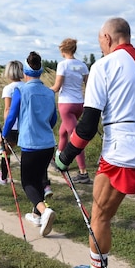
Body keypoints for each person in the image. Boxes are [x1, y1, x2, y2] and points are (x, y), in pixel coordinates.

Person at [55, 17, 135, 268]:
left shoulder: (104, 66)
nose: (101, 48)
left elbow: (86, 126)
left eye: (100, 43)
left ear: (107, 38)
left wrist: (66, 156)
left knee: (100, 214)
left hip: (122, 150)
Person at [2, 52, 57, 237]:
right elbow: (53, 119)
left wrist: (4, 134)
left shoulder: (21, 91)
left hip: (31, 144)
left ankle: (44, 209)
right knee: (40, 176)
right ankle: (37, 214)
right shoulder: (49, 92)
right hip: (48, 143)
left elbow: (11, 116)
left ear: (25, 72)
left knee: (27, 182)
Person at [51, 38, 91, 184]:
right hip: (79, 104)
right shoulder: (82, 65)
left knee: (75, 138)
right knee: (63, 132)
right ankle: (59, 161)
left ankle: (83, 172)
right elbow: (89, 85)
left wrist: (43, 91)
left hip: (66, 105)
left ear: (63, 50)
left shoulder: (62, 65)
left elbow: (56, 87)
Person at [0, 60, 24, 185]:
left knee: (6, 152)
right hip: (25, 125)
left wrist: (5, 127)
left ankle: (4, 176)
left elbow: (8, 109)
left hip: (13, 126)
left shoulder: (8, 89)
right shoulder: (26, 86)